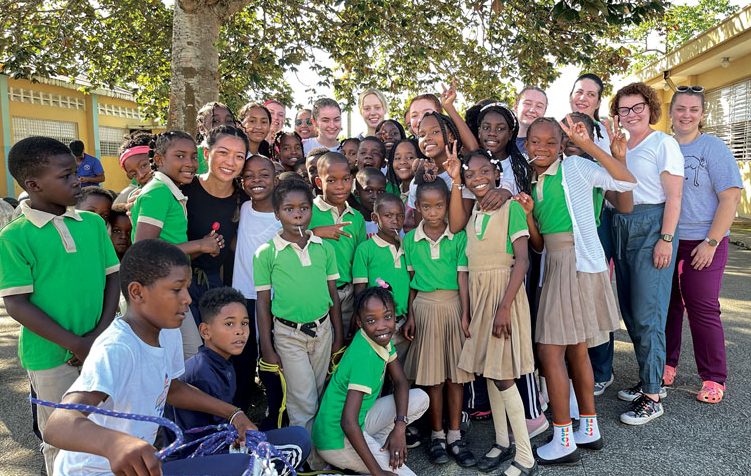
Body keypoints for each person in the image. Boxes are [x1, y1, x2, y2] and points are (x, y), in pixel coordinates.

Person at [43, 239, 257, 475]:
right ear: (137, 292)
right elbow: (58, 424)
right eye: (177, 289)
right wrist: (115, 444)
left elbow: (172, 389)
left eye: (187, 287)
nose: (187, 298)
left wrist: (233, 412)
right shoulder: (117, 348)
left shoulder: (168, 331)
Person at [516, 116, 636, 464]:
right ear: (526, 145)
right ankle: (590, 427)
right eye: (535, 142)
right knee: (576, 350)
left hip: (575, 261)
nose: (542, 148)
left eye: (551, 142)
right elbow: (538, 244)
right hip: (556, 261)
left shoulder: (576, 168)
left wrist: (587, 145)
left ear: (561, 144)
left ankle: (563, 436)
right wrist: (526, 215)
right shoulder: (536, 181)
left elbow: (626, 183)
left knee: (550, 351)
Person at [0, 136, 120, 474]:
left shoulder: (93, 224)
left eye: (75, 172)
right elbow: (18, 305)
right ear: (33, 185)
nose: (77, 180)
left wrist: (99, 335)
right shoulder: (15, 237)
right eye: (65, 176)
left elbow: (113, 278)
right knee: (61, 436)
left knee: (108, 426)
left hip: (100, 346)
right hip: (53, 359)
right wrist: (76, 344)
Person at [445, 149, 537, 476]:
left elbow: (523, 260)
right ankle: (501, 442)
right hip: (481, 298)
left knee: (503, 375)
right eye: (471, 174)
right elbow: (467, 268)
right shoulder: (472, 214)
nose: (479, 178)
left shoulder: (510, 208)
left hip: (503, 296)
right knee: (491, 372)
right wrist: (468, 313)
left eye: (485, 171)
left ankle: (525, 456)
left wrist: (504, 307)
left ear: (497, 174)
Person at [167, 286, 311, 469]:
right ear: (205, 332)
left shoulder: (224, 364)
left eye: (244, 323)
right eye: (229, 324)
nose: (240, 331)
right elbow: (199, 444)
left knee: (299, 438)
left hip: (225, 447)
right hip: (197, 459)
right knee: (289, 450)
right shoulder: (201, 372)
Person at [609, 82, 684, 425]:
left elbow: (675, 197)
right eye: (624, 109)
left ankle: (653, 397)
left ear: (650, 107)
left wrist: (666, 238)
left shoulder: (663, 143)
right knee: (630, 309)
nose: (631, 114)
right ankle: (648, 379)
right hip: (623, 226)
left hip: (653, 225)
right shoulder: (621, 145)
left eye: (637, 107)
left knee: (648, 312)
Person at [664, 86, 742, 404]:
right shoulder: (663, 146)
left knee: (702, 307)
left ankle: (713, 377)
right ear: (671, 112)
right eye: (681, 108)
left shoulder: (712, 147)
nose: (686, 115)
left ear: (701, 114)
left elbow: (731, 196)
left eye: (693, 110)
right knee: (666, 306)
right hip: (668, 238)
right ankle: (665, 365)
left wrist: (711, 242)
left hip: (704, 240)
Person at [254, 179, 345, 440]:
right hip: (288, 335)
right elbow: (263, 302)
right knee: (301, 399)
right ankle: (308, 459)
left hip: (323, 330)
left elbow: (333, 294)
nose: (297, 214)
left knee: (317, 392)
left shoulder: (324, 248)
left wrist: (338, 335)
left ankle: (318, 450)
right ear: (277, 214)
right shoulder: (266, 253)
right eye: (289, 209)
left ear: (311, 211)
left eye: (303, 208)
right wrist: (267, 347)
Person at [314, 285, 430, 475]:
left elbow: (400, 382)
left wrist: (399, 429)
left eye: (388, 317)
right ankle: (366, 463)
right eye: (371, 320)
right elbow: (348, 423)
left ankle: (378, 445)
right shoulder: (365, 356)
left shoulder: (379, 338)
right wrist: (378, 473)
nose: (382, 325)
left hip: (357, 421)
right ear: (360, 322)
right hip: (336, 439)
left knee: (420, 398)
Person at [130, 130, 224, 359]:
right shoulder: (158, 192)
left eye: (193, 157)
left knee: (187, 351)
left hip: (170, 287)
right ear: (160, 160)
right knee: (182, 353)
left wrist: (206, 244)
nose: (190, 163)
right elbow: (144, 250)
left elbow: (169, 245)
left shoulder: (171, 192)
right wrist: (200, 245)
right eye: (180, 156)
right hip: (156, 291)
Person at [402, 177, 476, 468]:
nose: (433, 212)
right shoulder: (410, 240)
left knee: (455, 377)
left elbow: (462, 278)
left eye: (439, 206)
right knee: (432, 378)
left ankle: (455, 434)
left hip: (454, 306)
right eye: (426, 206)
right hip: (424, 308)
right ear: (418, 207)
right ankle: (437, 435)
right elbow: (410, 282)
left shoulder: (458, 237)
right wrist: (410, 315)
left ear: (447, 206)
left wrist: (466, 313)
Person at [182, 125, 248, 325]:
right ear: (206, 153)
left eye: (239, 156)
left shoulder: (244, 199)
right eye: (223, 153)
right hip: (178, 282)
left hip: (215, 285)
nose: (230, 162)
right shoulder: (183, 189)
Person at [232, 154, 282, 416]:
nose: (256, 180)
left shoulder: (282, 214)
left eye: (264, 175)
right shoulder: (242, 209)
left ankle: (275, 412)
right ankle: (239, 412)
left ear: (275, 179)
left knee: (271, 353)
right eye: (249, 176)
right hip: (242, 293)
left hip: (272, 296)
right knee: (243, 354)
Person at [309, 152, 367, 339]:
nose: (340, 186)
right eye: (332, 180)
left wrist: (359, 303)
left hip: (348, 294)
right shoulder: (308, 211)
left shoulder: (356, 218)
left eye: (346, 179)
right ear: (319, 183)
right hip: (318, 292)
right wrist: (315, 232)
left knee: (343, 344)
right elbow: (290, 239)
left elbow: (361, 262)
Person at [353, 193, 410, 358]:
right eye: (388, 215)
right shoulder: (365, 249)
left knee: (403, 369)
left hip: (404, 322)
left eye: (400, 216)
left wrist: (412, 317)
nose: (395, 221)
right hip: (378, 326)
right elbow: (360, 290)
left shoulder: (407, 247)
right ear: (375, 218)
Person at [195, 102, 238, 174]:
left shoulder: (240, 155)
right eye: (215, 121)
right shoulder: (192, 155)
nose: (223, 125)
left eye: (229, 121)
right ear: (202, 128)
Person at [114, 131, 154, 205]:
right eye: (134, 174)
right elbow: (116, 206)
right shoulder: (140, 193)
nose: (141, 175)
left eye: (144, 165)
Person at [352, 167, 387, 238]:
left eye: (381, 191)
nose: (375, 196)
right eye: (369, 190)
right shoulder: (353, 222)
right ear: (356, 193)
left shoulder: (390, 222)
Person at [513, 87, 548, 155]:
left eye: (539, 106)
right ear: (516, 106)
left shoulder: (548, 145)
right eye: (527, 103)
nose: (532, 110)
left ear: (544, 111)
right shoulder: (501, 139)